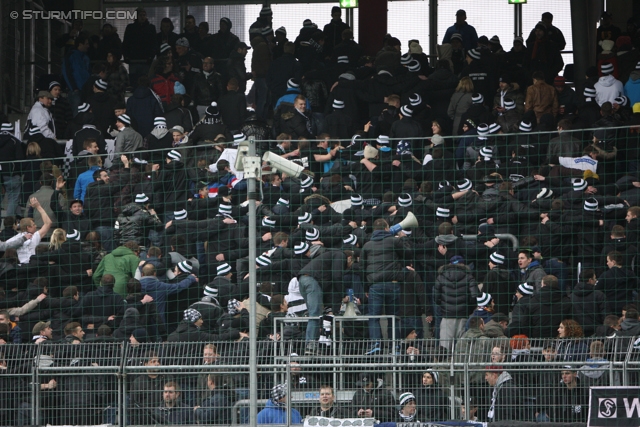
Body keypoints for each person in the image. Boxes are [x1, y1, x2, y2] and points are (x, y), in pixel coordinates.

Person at [298, 249, 354, 355]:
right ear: (350, 258)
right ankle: (310, 344)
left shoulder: (328, 262)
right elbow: (337, 276)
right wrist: (343, 294)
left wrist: (329, 307)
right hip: (311, 281)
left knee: (315, 313)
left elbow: (329, 286)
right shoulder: (340, 255)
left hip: (303, 280)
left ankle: (313, 346)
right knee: (315, 314)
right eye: (351, 263)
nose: (349, 266)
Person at [434, 255, 479, 349]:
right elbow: (474, 296)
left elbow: (436, 297)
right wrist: (469, 309)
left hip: (447, 316)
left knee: (444, 348)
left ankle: (445, 363)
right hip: (463, 315)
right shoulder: (469, 276)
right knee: (462, 347)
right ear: (462, 263)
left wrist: (444, 306)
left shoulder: (441, 276)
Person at [9, 198, 53, 264]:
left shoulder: (15, 238)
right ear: (28, 227)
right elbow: (48, 223)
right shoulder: (35, 236)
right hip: (32, 265)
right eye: (33, 224)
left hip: (20, 267)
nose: (36, 226)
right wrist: (38, 206)